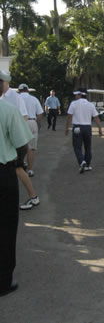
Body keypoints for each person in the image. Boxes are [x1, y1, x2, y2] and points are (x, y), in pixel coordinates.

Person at [0, 71, 32, 297]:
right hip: (3, 174)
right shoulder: (7, 110)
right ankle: (3, 281)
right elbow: (22, 145)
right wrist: (19, 162)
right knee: (6, 228)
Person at [0, 72, 39, 211]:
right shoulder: (5, 98)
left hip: (10, 144)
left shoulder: (16, 97)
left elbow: (23, 117)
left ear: (6, 83)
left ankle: (33, 196)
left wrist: (15, 138)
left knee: (18, 168)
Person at [65, 88, 103, 173]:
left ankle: (82, 161)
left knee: (77, 146)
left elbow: (69, 116)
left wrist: (67, 127)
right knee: (88, 146)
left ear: (80, 95)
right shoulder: (90, 105)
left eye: (76, 95)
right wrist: (100, 128)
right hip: (87, 127)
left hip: (77, 127)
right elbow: (96, 117)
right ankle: (88, 165)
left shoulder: (74, 104)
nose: (75, 96)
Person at [18, 84, 44, 177]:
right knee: (31, 148)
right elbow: (40, 113)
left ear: (19, 90)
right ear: (27, 90)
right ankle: (30, 169)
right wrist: (38, 123)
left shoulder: (17, 98)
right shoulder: (34, 99)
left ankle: (19, 167)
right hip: (32, 121)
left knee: (18, 146)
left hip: (20, 122)